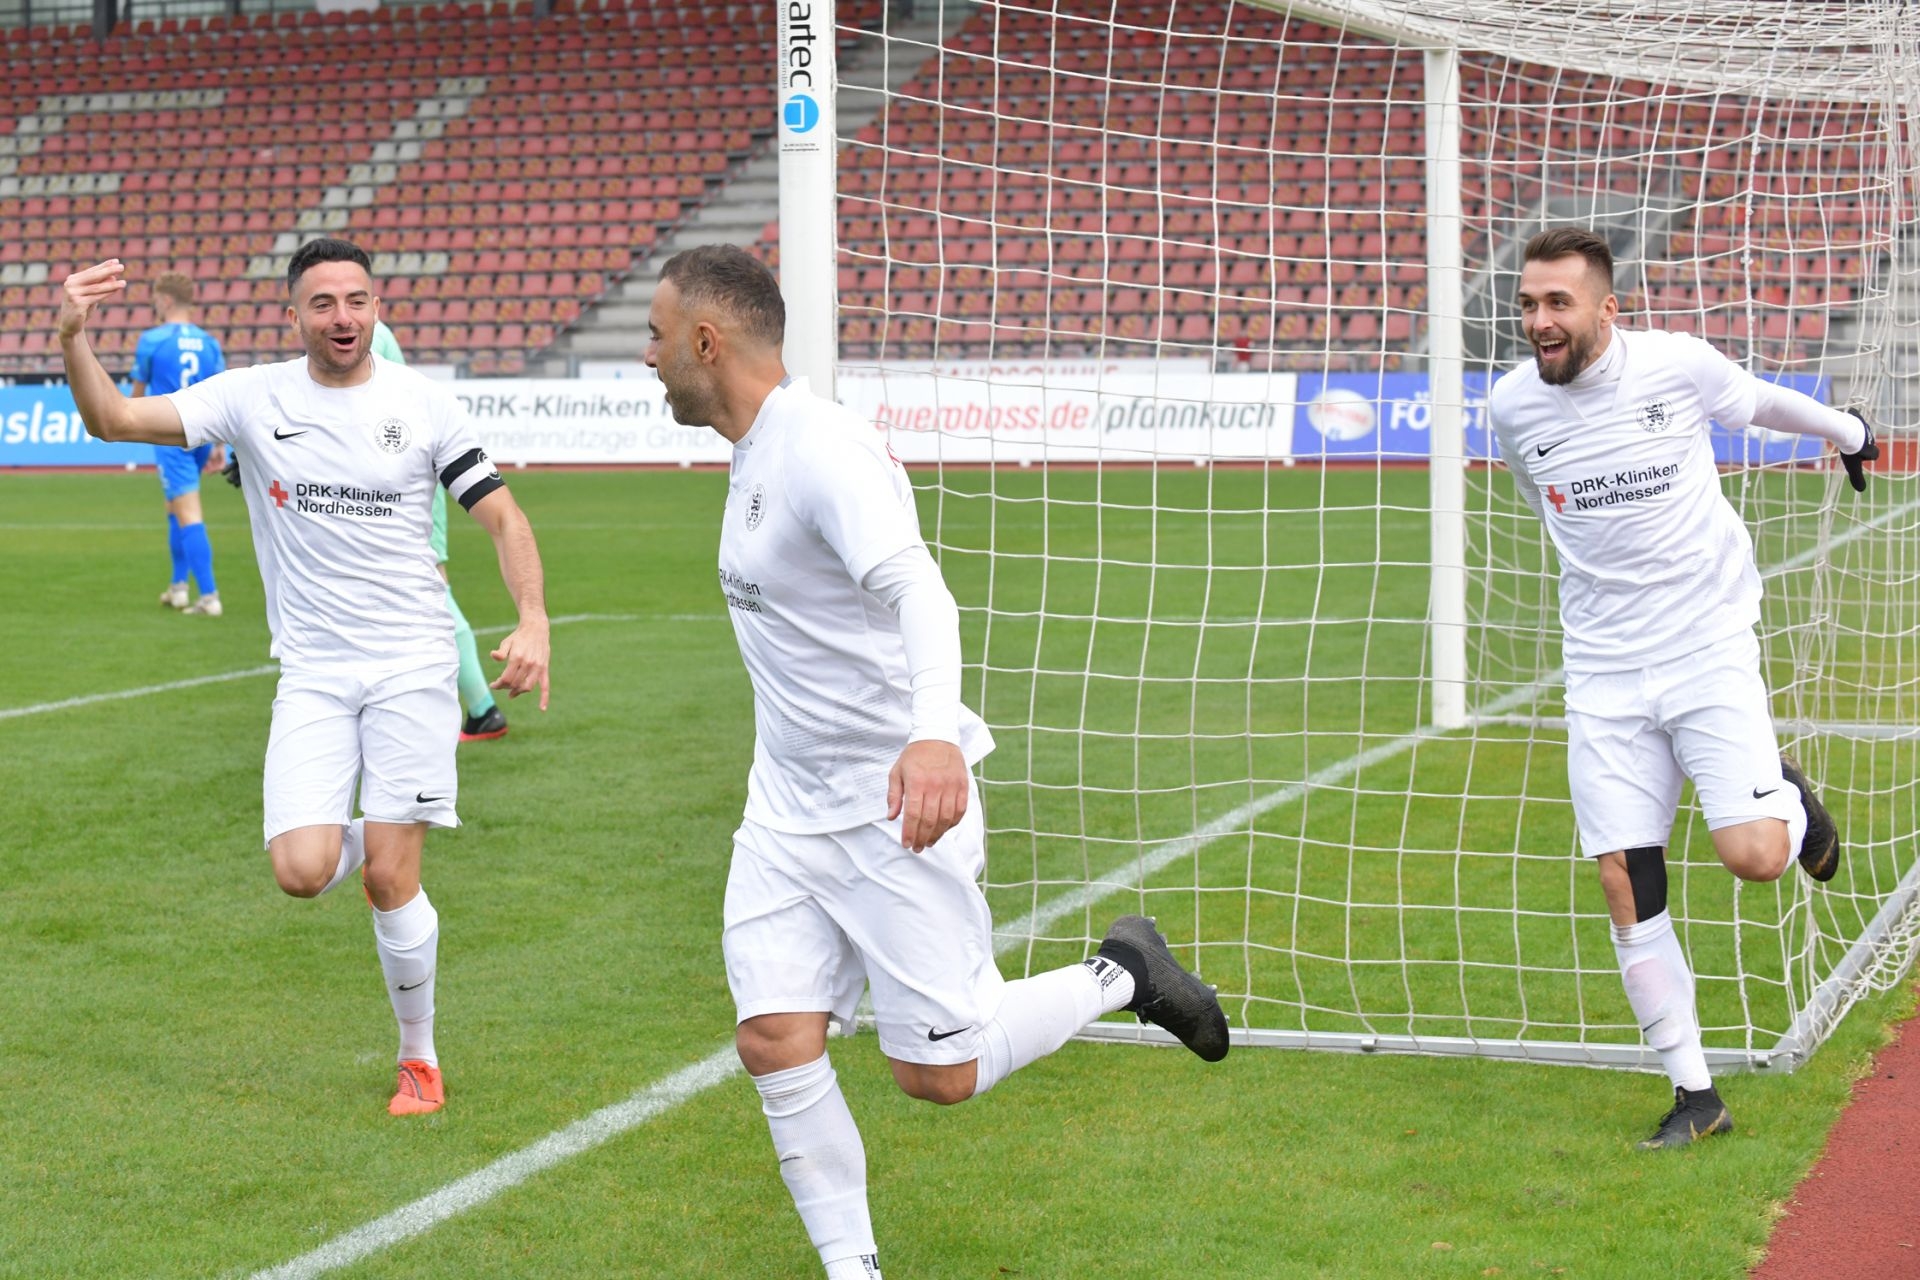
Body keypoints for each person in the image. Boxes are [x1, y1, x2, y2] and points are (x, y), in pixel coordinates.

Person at [644, 244, 1230, 1279]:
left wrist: (930, 737)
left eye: (655, 336)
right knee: (774, 1038)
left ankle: (1125, 970)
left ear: (705, 340)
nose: (646, 356)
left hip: (891, 806)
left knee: (941, 1074)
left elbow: (921, 591)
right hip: (783, 813)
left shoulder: (823, 448)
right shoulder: (753, 451)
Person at [57, 238, 551, 1117]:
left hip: (412, 664)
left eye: (356, 300)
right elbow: (114, 419)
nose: (342, 317)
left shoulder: (423, 405)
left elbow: (505, 518)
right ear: (294, 316)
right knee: (301, 869)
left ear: (376, 309)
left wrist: (534, 618)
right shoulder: (253, 397)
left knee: (391, 880)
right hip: (315, 672)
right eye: (322, 303)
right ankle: (384, 832)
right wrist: (71, 336)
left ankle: (419, 1058)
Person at [1487, 226, 1879, 1150]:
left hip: (1707, 648)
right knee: (1625, 877)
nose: (1540, 321)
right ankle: (1695, 1093)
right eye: (1529, 304)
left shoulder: (1676, 365)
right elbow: (1544, 502)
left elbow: (1761, 403)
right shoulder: (1512, 408)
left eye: (1558, 303)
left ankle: (1789, 803)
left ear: (1606, 308)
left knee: (1755, 856)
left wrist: (1849, 431)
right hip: (1602, 670)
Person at [369, 319, 509, 741]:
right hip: (393, 481)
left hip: (403, 486)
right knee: (424, 590)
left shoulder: (366, 333)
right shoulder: (367, 328)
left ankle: (481, 708)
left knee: (432, 589)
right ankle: (475, 709)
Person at [133, 271, 227, 616]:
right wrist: (220, 444)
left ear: (166, 300)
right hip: (203, 433)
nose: (155, 306)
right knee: (174, 506)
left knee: (187, 511)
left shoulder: (153, 340)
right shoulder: (209, 343)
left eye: (156, 300)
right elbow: (223, 394)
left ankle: (209, 596)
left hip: (170, 433)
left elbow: (137, 397)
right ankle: (178, 587)